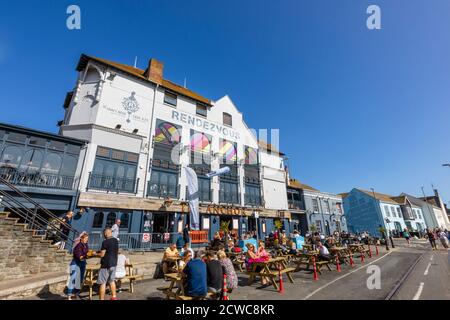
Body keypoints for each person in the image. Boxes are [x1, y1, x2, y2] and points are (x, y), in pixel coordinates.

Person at [96, 228, 119, 300]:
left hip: (106, 264)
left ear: (105, 233)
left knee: (103, 283)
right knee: (112, 281)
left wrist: (95, 254)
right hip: (114, 263)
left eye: (104, 234)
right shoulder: (116, 240)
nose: (103, 235)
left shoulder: (105, 242)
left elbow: (102, 254)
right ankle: (114, 297)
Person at [67, 232, 89, 300]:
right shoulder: (78, 245)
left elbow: (86, 254)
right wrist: (88, 255)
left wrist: (91, 254)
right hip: (75, 263)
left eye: (87, 239)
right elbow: (79, 256)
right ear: (82, 239)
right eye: (85, 238)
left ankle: (76, 294)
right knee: (73, 279)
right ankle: (69, 295)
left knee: (80, 280)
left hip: (82, 264)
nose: (86, 240)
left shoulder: (86, 245)